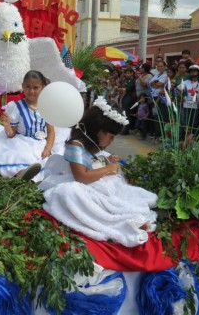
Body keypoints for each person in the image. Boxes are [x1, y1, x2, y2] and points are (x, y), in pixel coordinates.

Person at [40, 97, 158, 247]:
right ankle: (120, 224)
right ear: (98, 129)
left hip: (89, 182)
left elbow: (92, 164)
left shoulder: (91, 143)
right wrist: (108, 169)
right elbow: (81, 176)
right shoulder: (76, 145)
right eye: (111, 136)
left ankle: (126, 218)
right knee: (70, 192)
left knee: (116, 192)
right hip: (75, 182)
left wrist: (106, 163)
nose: (111, 141)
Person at [0, 70, 54, 181]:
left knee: (44, 158)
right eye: (27, 87)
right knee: (21, 155)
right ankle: (21, 173)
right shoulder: (16, 107)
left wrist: (48, 148)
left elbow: (51, 132)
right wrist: (7, 126)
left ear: (42, 88)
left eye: (36, 88)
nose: (31, 91)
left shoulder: (47, 107)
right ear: (22, 86)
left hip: (40, 142)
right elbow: (11, 134)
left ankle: (32, 174)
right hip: (21, 140)